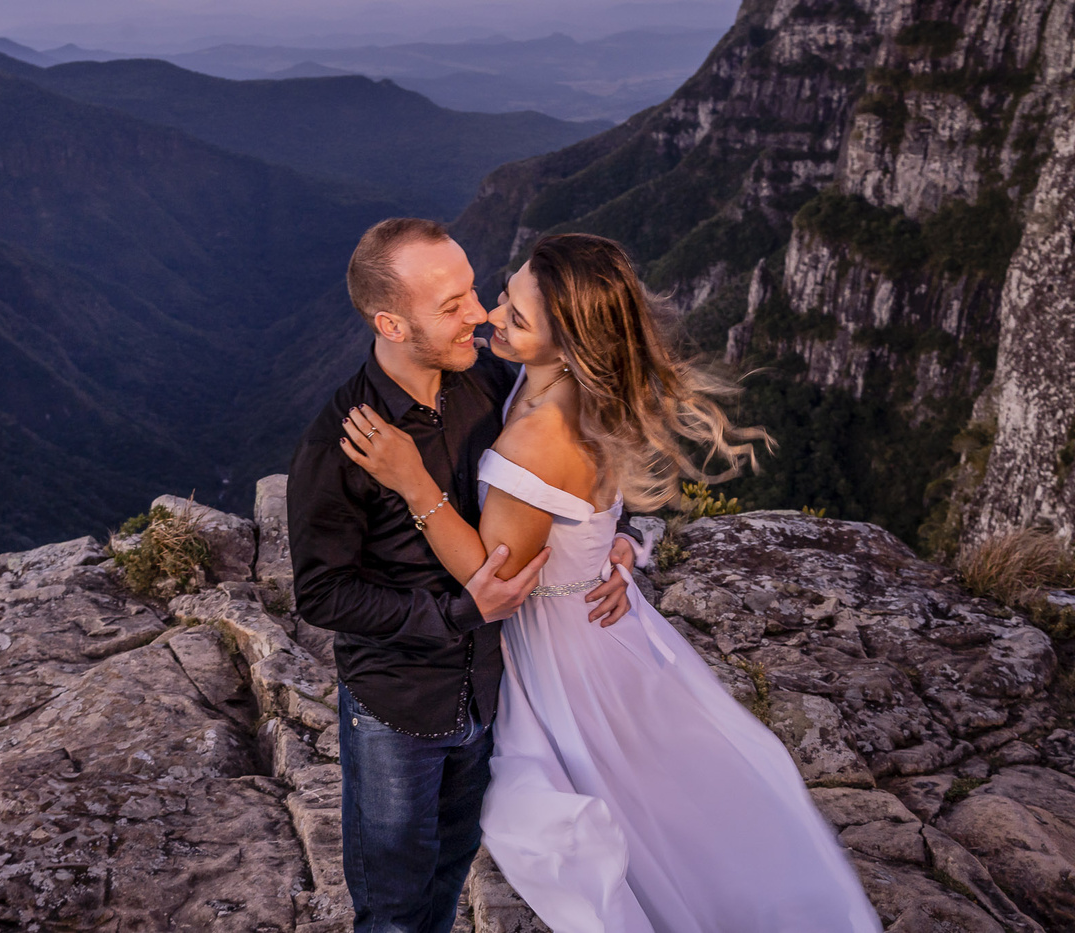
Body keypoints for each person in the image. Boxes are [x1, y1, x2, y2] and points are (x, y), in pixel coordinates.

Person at [340, 233, 883, 931]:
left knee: (571, 817)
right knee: (651, 808)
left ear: (568, 347)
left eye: (516, 318)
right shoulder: (556, 386)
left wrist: (413, 481)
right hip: (599, 619)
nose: (491, 317)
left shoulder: (538, 436)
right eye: (504, 296)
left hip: (562, 652)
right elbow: (588, 509)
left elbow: (490, 576)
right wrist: (615, 547)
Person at [287, 219, 644, 933]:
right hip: (399, 707)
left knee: (450, 870)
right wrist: (455, 614)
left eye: (475, 292)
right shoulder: (342, 442)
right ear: (391, 323)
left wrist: (618, 539)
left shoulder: (490, 381)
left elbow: (575, 452)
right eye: (452, 306)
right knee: (393, 905)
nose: (480, 315)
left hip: (493, 691)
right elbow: (322, 593)